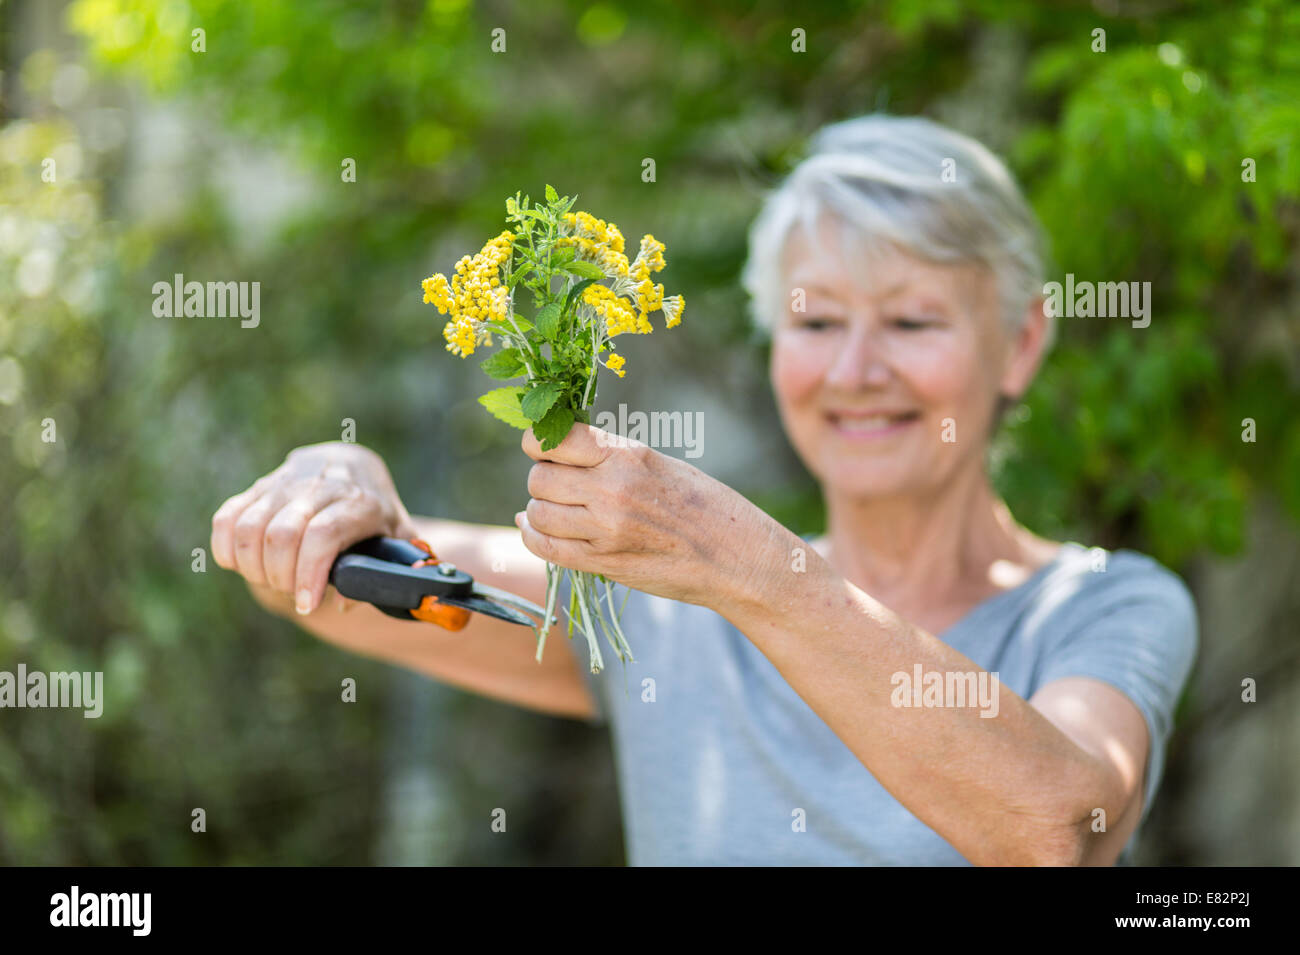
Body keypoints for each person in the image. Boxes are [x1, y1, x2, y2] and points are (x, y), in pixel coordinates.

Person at [211, 114, 1197, 866]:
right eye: (815, 323)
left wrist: (747, 567)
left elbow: (1058, 824)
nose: (856, 369)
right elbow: (334, 594)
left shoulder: (1103, 605)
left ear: (1020, 341)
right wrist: (330, 490)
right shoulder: (666, 609)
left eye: (910, 320)